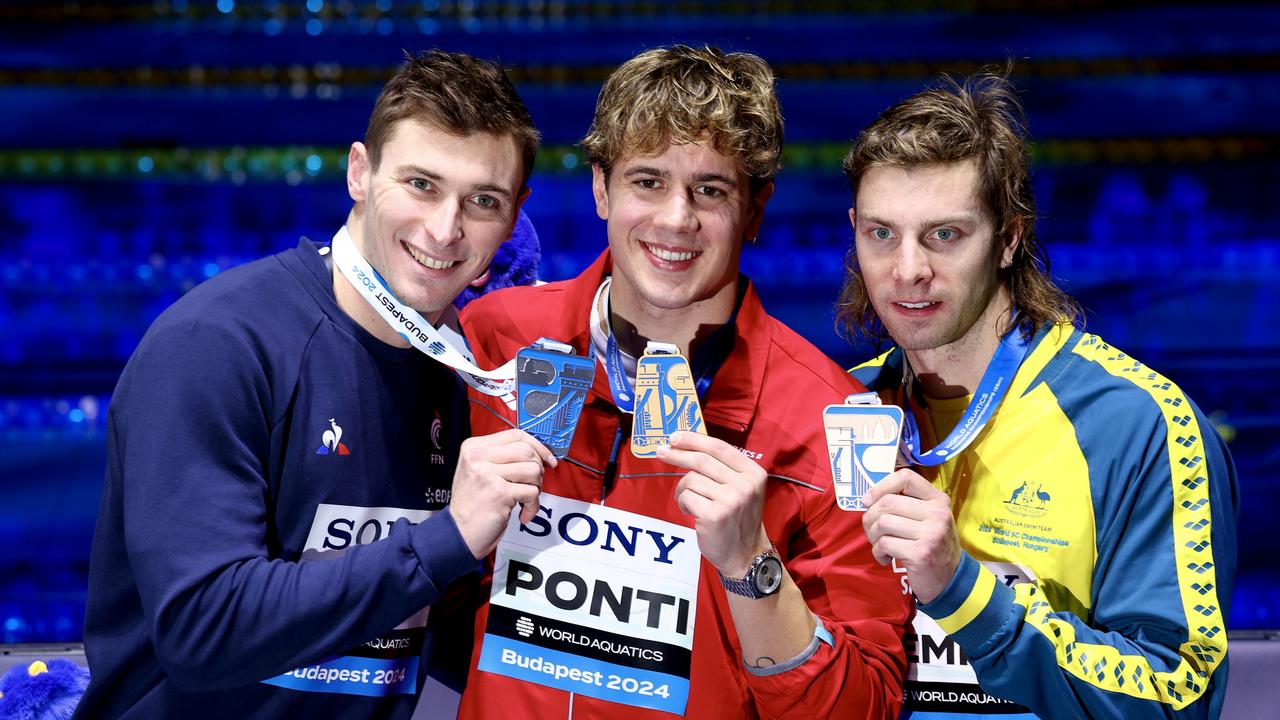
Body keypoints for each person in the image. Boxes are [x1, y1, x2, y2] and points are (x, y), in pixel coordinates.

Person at [76, 49, 556, 719]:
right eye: (421, 184)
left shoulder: (467, 376)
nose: (445, 230)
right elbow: (201, 630)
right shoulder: (218, 346)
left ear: (513, 217)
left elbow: (439, 640)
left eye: (482, 201)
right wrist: (449, 537)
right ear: (360, 172)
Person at [457, 45, 911, 719]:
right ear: (601, 188)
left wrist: (751, 565)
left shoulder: (830, 422)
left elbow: (864, 706)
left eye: (711, 190)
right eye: (648, 182)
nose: (677, 219)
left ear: (754, 211)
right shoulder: (495, 341)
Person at [841, 71, 1238, 719]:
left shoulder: (1138, 425)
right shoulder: (836, 405)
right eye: (882, 233)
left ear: (1008, 238)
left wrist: (967, 593)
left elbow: (1178, 698)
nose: (908, 269)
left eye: (945, 234)